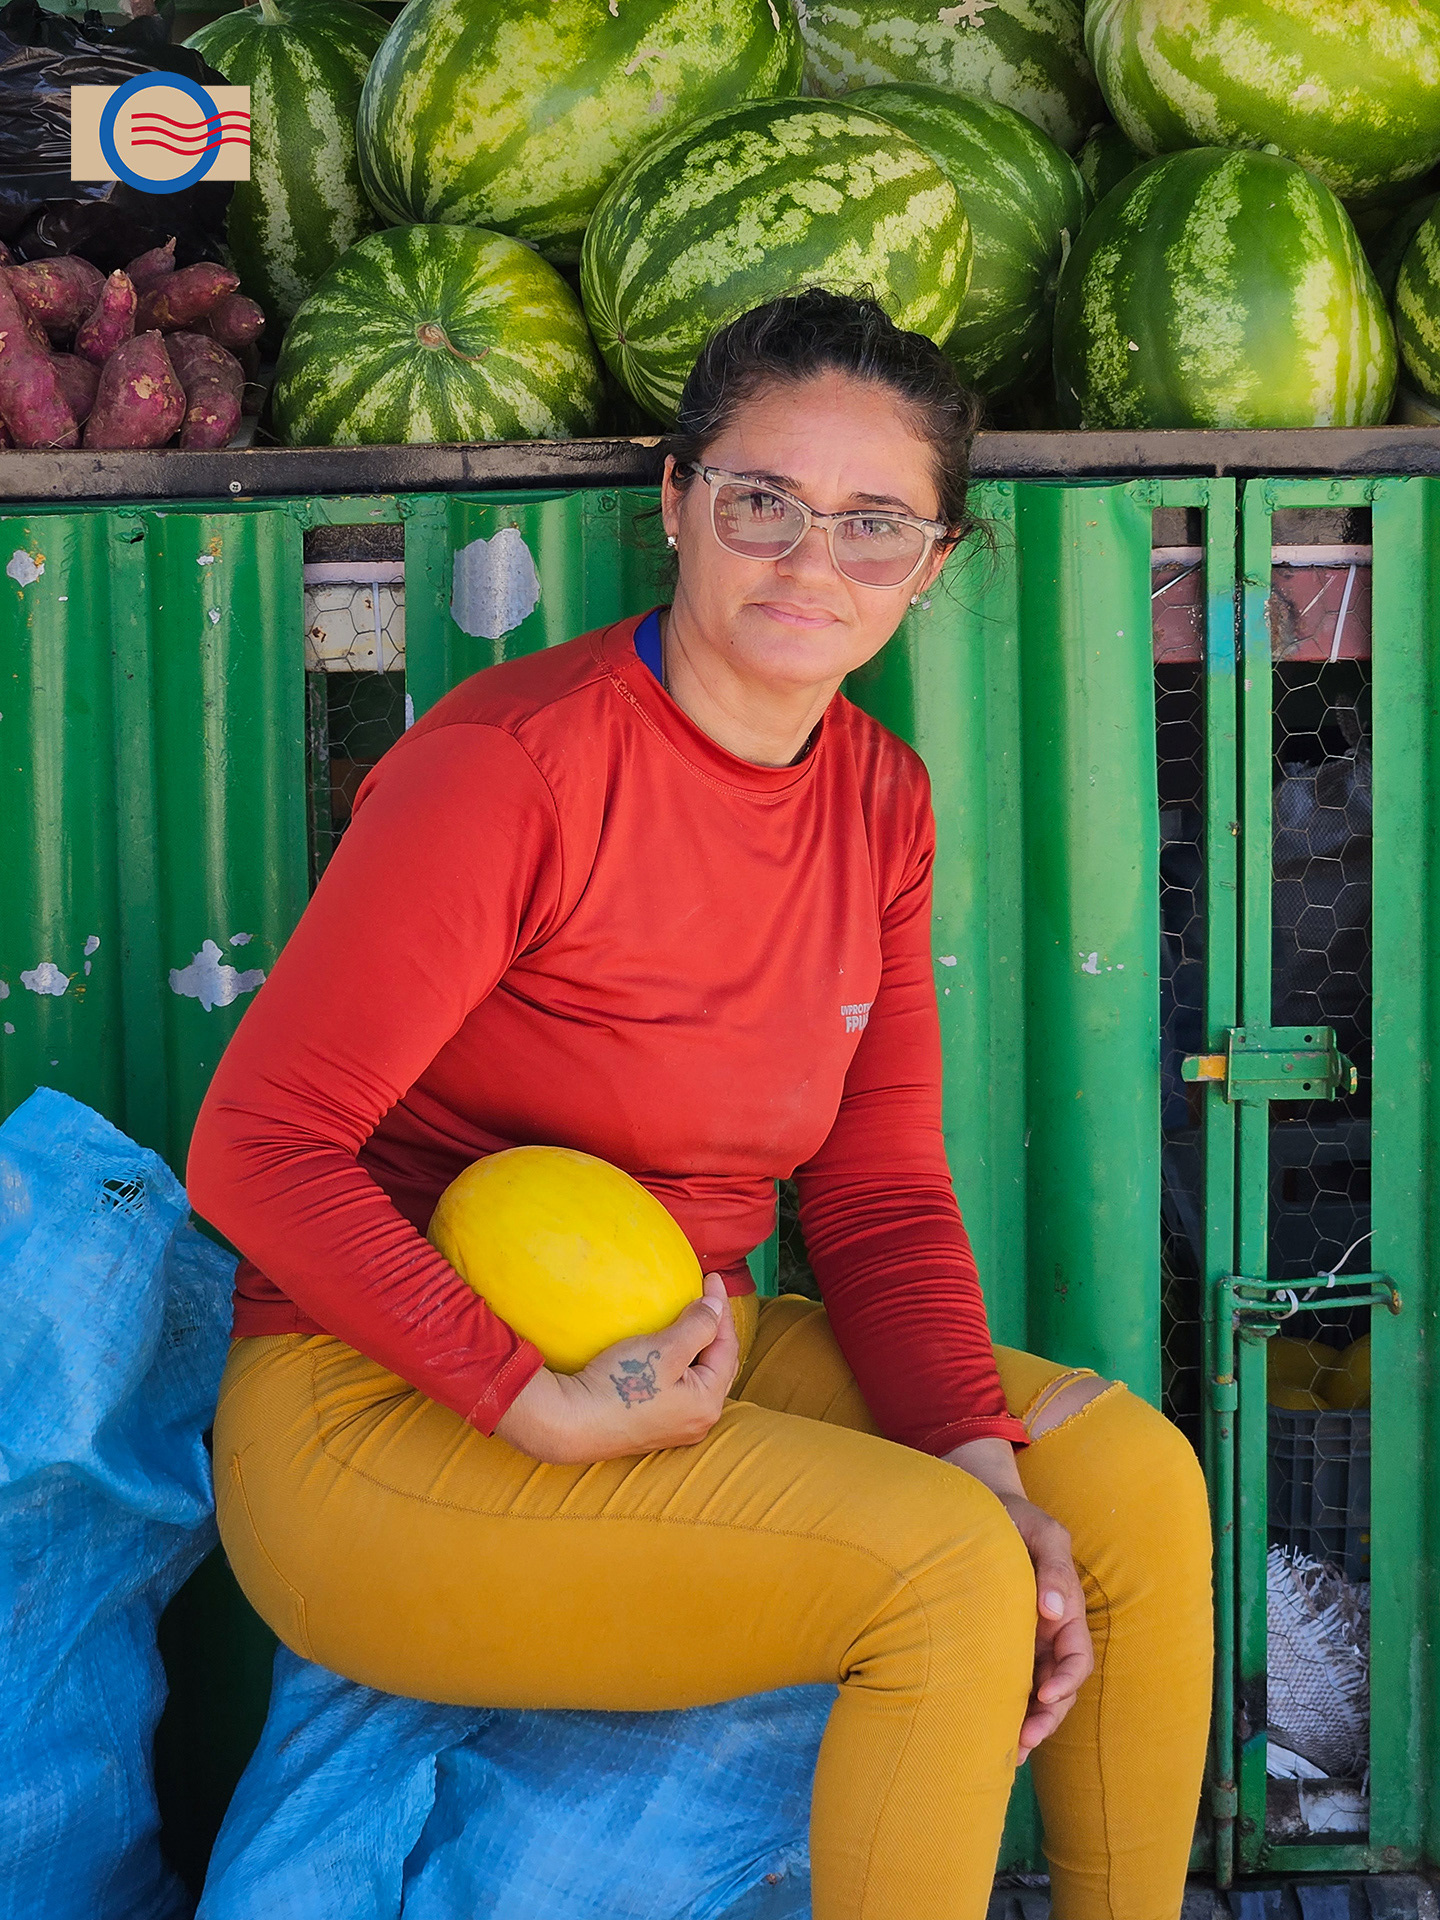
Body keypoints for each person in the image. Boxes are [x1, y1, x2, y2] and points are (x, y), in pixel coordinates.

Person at [188, 288, 1212, 1920]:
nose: (812, 565)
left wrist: (989, 1459)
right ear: (676, 500)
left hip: (684, 1350)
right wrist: (529, 1395)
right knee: (941, 1579)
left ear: (936, 561)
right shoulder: (514, 766)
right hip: (374, 1409)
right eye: (763, 504)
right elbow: (256, 1144)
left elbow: (873, 1192)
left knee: (1123, 1494)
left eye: (874, 524)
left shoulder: (879, 795)